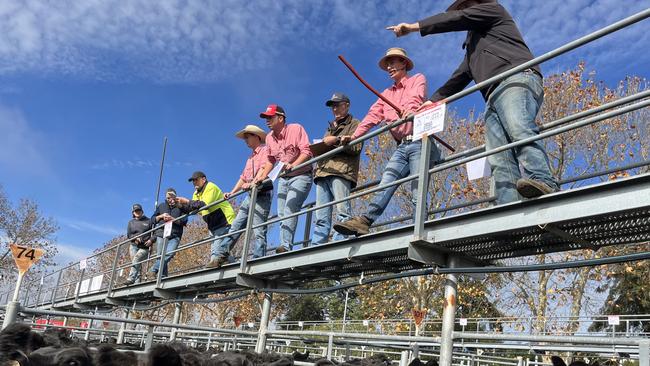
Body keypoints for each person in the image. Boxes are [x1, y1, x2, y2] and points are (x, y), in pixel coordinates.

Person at [385, 0, 559, 204]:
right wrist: (431, 101)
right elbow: (459, 77)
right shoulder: (472, 48)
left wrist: (414, 27)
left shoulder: (493, 10)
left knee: (518, 127)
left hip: (515, 78)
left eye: (465, 5)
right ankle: (508, 202)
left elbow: (457, 18)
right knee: (497, 152)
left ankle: (543, 180)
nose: (462, 10)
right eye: (460, 8)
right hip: (492, 95)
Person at [334, 48, 442, 237]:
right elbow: (371, 117)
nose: (389, 67)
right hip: (402, 146)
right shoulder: (385, 94)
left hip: (420, 140)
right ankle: (365, 221)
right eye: (387, 64)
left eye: (393, 63)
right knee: (386, 182)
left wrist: (410, 111)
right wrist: (354, 136)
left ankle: (420, 229)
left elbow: (416, 98)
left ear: (404, 64)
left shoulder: (417, 79)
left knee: (418, 187)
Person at [211, 125, 274, 265]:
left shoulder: (265, 151)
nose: (246, 140)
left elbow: (264, 169)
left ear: (256, 137)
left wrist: (253, 183)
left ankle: (258, 259)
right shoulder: (250, 158)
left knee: (259, 229)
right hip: (250, 195)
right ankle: (222, 254)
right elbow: (243, 177)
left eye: (248, 136)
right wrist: (232, 192)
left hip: (262, 194)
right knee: (235, 226)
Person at [260, 104, 313, 253]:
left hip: (301, 175)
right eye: (266, 118)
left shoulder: (295, 129)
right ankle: (284, 245)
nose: (267, 120)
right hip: (283, 179)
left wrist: (293, 165)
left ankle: (285, 246)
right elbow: (270, 160)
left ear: (281, 118)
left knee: (290, 208)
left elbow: (306, 151)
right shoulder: (269, 138)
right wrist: (263, 177)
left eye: (270, 117)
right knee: (282, 213)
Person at [312, 93, 362, 245]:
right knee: (321, 216)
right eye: (332, 106)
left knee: (343, 212)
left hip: (341, 172)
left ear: (347, 105)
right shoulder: (330, 127)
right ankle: (316, 246)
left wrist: (337, 140)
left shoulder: (354, 123)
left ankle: (339, 243)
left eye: (337, 104)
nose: (334, 108)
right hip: (322, 173)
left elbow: (357, 147)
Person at [175, 171, 236, 268]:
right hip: (213, 223)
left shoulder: (210, 187)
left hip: (224, 220)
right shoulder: (196, 193)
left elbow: (203, 205)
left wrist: (187, 201)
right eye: (193, 181)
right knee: (219, 251)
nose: (194, 183)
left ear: (204, 179)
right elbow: (192, 209)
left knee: (216, 251)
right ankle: (235, 263)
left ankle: (212, 271)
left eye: (196, 180)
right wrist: (180, 205)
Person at [149, 188, 188, 278]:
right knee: (160, 256)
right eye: (167, 197)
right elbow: (152, 220)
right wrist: (161, 216)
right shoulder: (161, 206)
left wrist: (172, 219)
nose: (169, 199)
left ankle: (153, 270)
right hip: (161, 233)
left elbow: (184, 222)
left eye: (171, 197)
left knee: (169, 254)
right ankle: (162, 277)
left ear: (175, 197)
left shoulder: (181, 206)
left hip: (175, 234)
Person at [124, 203, 153, 285]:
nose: (137, 212)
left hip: (145, 247)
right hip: (134, 246)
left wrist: (151, 240)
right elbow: (129, 235)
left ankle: (131, 278)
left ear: (142, 211)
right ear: (133, 213)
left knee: (136, 259)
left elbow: (154, 233)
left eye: (139, 210)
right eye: (135, 211)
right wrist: (135, 238)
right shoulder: (131, 222)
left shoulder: (148, 221)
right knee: (136, 263)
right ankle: (136, 283)